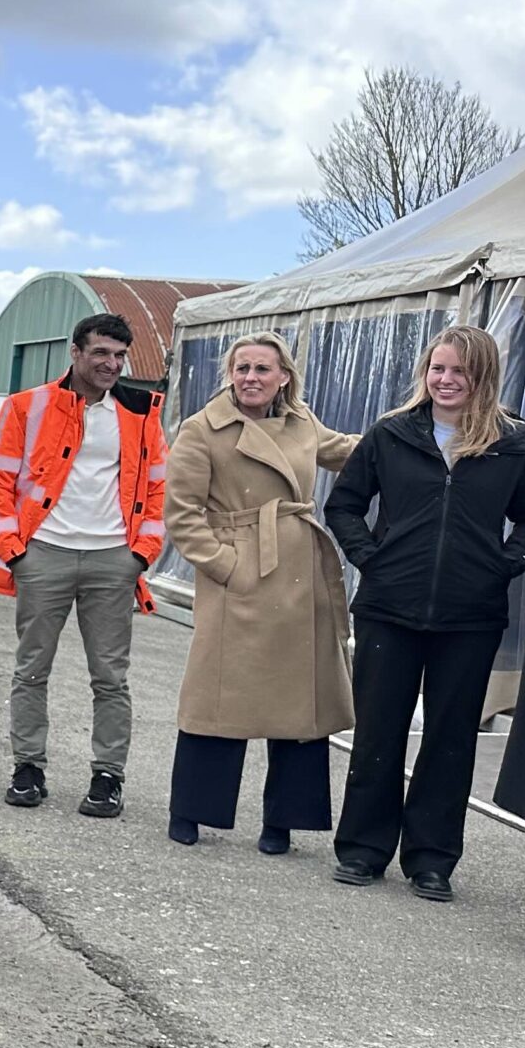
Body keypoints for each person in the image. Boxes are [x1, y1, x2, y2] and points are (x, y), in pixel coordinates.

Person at [324, 325, 525, 899]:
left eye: (459, 372)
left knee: (450, 738)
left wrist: (506, 563)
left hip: (470, 615)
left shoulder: (513, 443)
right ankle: (364, 850)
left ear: (482, 379)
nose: (445, 381)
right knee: (378, 730)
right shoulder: (392, 434)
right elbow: (344, 504)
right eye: (437, 369)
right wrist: (371, 558)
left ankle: (432, 858)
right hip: (388, 607)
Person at [162, 333, 358, 851]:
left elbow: (350, 453)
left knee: (299, 701)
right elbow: (182, 513)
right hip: (240, 569)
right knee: (216, 697)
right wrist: (226, 565)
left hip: (297, 570)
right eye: (242, 367)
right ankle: (192, 810)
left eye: (262, 369)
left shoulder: (303, 423)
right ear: (230, 373)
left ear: (284, 376)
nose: (251, 377)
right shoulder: (202, 429)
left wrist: (420, 434)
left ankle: (283, 821)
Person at [0, 314, 168, 820]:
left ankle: (108, 777)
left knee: (111, 677)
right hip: (44, 554)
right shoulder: (26, 407)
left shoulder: (140, 413)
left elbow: (159, 488)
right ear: (75, 353)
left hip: (112, 560)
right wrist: (14, 549)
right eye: (101, 353)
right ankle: (28, 769)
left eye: (119, 356)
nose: (111, 364)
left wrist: (140, 555)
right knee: (32, 669)